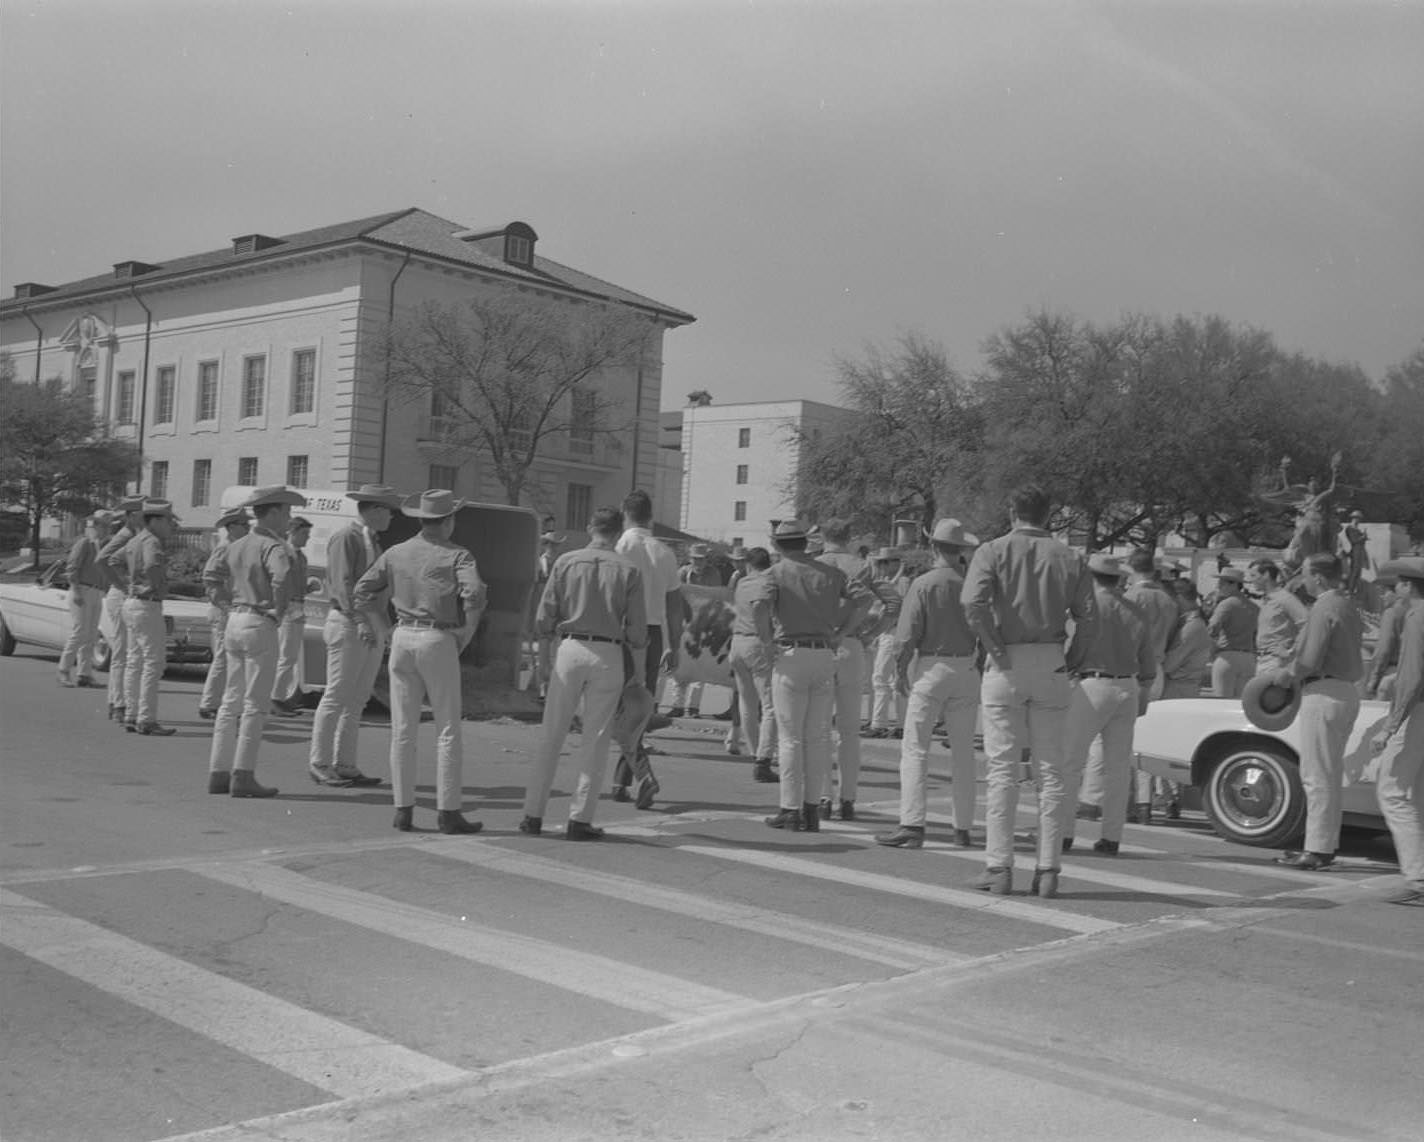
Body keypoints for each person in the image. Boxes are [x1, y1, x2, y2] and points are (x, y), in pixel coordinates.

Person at [962, 484, 1098, 898]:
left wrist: (994, 647)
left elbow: (972, 604)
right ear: (1049, 514)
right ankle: (1048, 869)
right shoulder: (1070, 557)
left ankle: (999, 867)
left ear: (1012, 511)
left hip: (1008, 659)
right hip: (1052, 656)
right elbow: (1089, 618)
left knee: (1003, 769)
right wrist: (1074, 657)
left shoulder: (992, 550)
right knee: (1052, 772)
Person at [353, 489, 486, 833]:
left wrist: (384, 629)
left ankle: (403, 808)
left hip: (403, 635)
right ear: (448, 521)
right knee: (447, 727)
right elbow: (473, 593)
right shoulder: (458, 555)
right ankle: (448, 811)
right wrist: (466, 633)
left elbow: (363, 591)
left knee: (402, 729)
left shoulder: (396, 552)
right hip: (437, 637)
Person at [521, 506, 647, 839]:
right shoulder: (629, 570)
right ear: (619, 532)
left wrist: (546, 652)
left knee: (552, 733)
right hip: (607, 651)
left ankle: (532, 814)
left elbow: (543, 617)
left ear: (590, 527)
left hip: (570, 647)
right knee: (596, 738)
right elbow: (636, 631)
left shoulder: (565, 561)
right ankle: (579, 819)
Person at [751, 519, 872, 832]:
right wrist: (842, 632)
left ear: (777, 545)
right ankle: (811, 808)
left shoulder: (775, 573)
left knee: (790, 738)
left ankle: (790, 808)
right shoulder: (831, 573)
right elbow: (865, 600)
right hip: (824, 653)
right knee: (817, 737)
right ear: (806, 543)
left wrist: (766, 642)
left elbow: (759, 608)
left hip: (790, 653)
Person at [876, 518, 980, 851]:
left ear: (934, 546)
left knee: (916, 748)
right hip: (966, 665)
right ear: (960, 549)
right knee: (963, 753)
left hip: (932, 664)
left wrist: (900, 669)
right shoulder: (971, 583)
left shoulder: (924, 584)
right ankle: (962, 827)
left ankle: (912, 823)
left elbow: (906, 637)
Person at [206, 486, 308, 797]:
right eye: (286, 513)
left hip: (235, 618)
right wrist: (277, 611)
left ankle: (218, 772)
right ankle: (244, 774)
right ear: (274, 512)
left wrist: (225, 603)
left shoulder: (236, 544)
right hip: (258, 621)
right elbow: (280, 577)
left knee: (230, 701)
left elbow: (211, 576)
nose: (288, 519)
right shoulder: (272, 546)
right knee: (254, 704)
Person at [1265, 552, 1363, 869]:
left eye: (1305, 574)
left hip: (1322, 690)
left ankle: (1316, 849)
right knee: (1328, 774)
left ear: (1318, 577)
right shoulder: (1346, 603)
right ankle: (1323, 845)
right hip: (1345, 690)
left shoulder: (1323, 606)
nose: (1302, 580)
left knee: (1316, 775)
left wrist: (1284, 675)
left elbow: (1308, 660)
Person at [1060, 554, 1157, 860]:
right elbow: (1148, 658)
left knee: (1071, 762)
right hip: (1128, 684)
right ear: (1118, 579)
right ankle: (1111, 837)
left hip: (1093, 683)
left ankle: (1063, 833)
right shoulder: (1137, 610)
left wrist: (1067, 671)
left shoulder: (1087, 607)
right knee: (1118, 767)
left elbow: (1075, 648)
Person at [307, 484, 402, 788]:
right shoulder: (347, 537)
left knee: (357, 698)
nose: (391, 516)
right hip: (350, 622)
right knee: (337, 694)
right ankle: (320, 762)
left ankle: (345, 763)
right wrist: (361, 620)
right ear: (374, 510)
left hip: (365, 622)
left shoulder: (370, 539)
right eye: (388, 510)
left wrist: (383, 627)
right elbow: (344, 584)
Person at [612, 489, 682, 808]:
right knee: (639, 711)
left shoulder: (619, 546)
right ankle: (622, 779)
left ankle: (640, 775)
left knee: (615, 710)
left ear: (625, 513)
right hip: (653, 634)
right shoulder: (665, 553)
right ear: (650, 517)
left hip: (623, 630)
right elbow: (674, 607)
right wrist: (675, 645)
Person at [1369, 556, 1424, 906]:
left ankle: (1417, 877)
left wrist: (1390, 726)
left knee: (1391, 791)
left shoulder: (1416, 617)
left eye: (1397, 584)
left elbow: (1412, 677)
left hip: (1417, 712)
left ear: (1406, 585)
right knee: (1415, 792)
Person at [815, 518, 874, 817]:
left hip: (821, 645)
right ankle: (848, 799)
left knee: (821, 729)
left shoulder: (814, 565)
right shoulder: (863, 566)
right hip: (851, 643)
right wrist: (868, 632)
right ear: (849, 536)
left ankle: (823, 798)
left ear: (823, 536)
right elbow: (890, 603)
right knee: (850, 731)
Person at [119, 500, 181, 735]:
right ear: (155, 520)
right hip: (147, 604)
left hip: (133, 602)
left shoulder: (134, 540)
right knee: (153, 664)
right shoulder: (151, 541)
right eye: (168, 520)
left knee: (135, 661)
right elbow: (154, 565)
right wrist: (160, 587)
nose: (171, 525)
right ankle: (146, 719)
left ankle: (131, 714)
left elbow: (115, 561)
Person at [729, 547, 778, 783]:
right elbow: (760, 608)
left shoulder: (741, 583)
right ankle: (764, 758)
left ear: (749, 564)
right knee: (770, 706)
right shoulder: (767, 581)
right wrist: (769, 642)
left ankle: (754, 751)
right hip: (757, 642)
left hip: (737, 642)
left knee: (746, 702)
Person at [197, 508, 252, 719]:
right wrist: (224, 606)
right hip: (223, 609)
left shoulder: (237, 548)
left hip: (230, 608)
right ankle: (209, 703)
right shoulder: (225, 548)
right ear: (231, 527)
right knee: (222, 657)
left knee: (227, 658)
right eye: (243, 524)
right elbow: (210, 578)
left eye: (248, 524)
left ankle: (217, 702)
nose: (248, 527)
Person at [98, 495, 145, 722]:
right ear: (132, 515)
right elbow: (102, 559)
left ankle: (118, 701)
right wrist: (120, 584)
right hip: (120, 595)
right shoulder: (125, 535)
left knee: (128, 652)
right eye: (142, 513)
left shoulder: (136, 535)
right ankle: (118, 703)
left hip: (127, 593)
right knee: (122, 651)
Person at [57, 512, 112, 688]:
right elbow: (72, 568)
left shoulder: (104, 546)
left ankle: (84, 674)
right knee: (79, 632)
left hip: (97, 591)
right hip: (82, 589)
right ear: (93, 526)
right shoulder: (84, 544)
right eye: (101, 525)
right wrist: (76, 590)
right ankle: (64, 670)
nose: (104, 529)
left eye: (106, 525)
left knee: (91, 634)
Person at [666, 543, 719, 717]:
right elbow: (675, 597)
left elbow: (716, 599)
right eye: (696, 558)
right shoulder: (682, 573)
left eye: (702, 559)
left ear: (706, 559)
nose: (699, 562)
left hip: (704, 624)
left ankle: (694, 707)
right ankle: (677, 705)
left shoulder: (713, 574)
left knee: (700, 667)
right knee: (679, 666)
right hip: (685, 623)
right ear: (690, 559)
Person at [270, 515, 312, 716]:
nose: (307, 538)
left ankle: (282, 696)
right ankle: (275, 698)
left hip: (297, 607)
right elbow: (279, 583)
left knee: (291, 656)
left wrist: (307, 588)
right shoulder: (284, 553)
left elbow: (296, 585)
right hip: (289, 609)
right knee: (285, 656)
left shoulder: (300, 556)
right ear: (292, 532)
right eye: (304, 533)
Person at [866, 547, 909, 737]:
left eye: (885, 562)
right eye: (880, 562)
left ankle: (880, 724)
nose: (881, 566)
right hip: (888, 632)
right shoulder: (887, 581)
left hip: (895, 632)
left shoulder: (902, 582)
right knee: (890, 680)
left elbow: (898, 606)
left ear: (895, 563)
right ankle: (897, 724)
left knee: (882, 679)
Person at [1249, 558, 1309, 675]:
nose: (1251, 580)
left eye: (1253, 575)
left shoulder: (1285, 598)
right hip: (1263, 660)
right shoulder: (1267, 600)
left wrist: (1291, 651)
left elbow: (1307, 623)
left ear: (1266, 575)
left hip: (1276, 662)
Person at [1207, 567, 1257, 697]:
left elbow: (1212, 629)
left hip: (1227, 656)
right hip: (1249, 658)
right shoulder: (1254, 607)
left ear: (1234, 584)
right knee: (1241, 704)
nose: (1219, 585)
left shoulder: (1226, 604)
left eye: (1222, 582)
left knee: (1222, 703)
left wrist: (1211, 649)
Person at [528, 531, 563, 700]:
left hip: (556, 612)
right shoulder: (540, 563)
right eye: (550, 544)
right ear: (545, 545)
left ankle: (548, 688)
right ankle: (541, 687)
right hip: (542, 610)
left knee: (554, 652)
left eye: (555, 545)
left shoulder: (561, 564)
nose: (553, 548)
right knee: (542, 650)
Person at [1365, 576, 1409, 701]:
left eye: (1384, 592)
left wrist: (1374, 679)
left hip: (1391, 672)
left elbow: (1384, 650)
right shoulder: (1415, 611)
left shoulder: (1391, 613)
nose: (1381, 596)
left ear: (1396, 592)